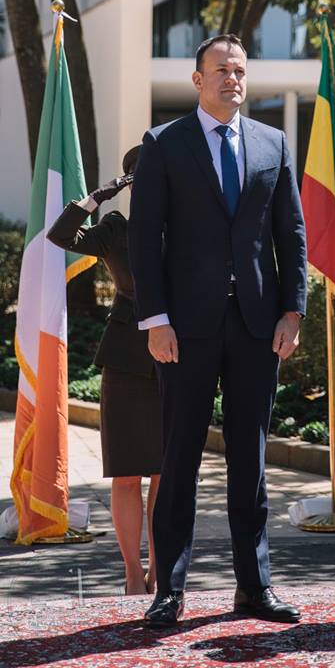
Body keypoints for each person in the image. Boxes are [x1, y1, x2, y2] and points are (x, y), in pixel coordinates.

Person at [128, 33, 307, 628]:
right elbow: (144, 239)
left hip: (258, 326)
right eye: (221, 70)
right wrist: (155, 320)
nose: (232, 79)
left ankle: (255, 587)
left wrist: (292, 311)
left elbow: (291, 234)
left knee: (249, 461)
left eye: (240, 70)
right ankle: (170, 591)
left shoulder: (273, 143)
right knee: (179, 458)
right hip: (185, 328)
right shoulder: (163, 144)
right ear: (197, 79)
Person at [47, 146, 162, 595]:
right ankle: (133, 574)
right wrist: (98, 196)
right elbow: (60, 235)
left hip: (178, 360)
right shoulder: (115, 228)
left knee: (167, 475)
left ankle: (161, 570)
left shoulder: (188, 227)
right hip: (126, 360)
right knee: (128, 472)